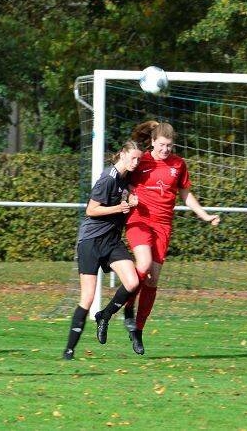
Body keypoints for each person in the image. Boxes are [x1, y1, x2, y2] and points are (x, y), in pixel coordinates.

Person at [122, 121, 220, 355]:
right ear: (153, 142)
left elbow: (186, 195)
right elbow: (121, 181)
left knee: (153, 280)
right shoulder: (140, 160)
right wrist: (126, 199)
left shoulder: (178, 164)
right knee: (143, 266)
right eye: (162, 144)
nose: (166, 149)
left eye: (170, 145)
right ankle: (127, 307)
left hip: (163, 226)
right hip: (139, 221)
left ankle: (138, 329)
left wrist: (205, 216)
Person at [62, 140, 143, 360]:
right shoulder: (108, 178)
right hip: (90, 242)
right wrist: (121, 207)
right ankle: (69, 350)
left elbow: (125, 195)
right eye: (133, 158)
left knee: (133, 281)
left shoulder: (125, 179)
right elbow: (91, 209)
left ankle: (105, 315)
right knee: (87, 297)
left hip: (111, 242)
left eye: (139, 159)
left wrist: (131, 199)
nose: (136, 162)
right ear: (123, 155)